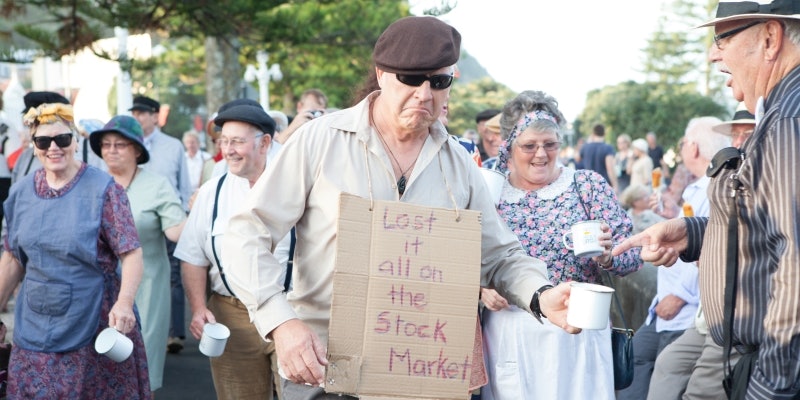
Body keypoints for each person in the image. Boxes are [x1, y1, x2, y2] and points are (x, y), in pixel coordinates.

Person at [221, 16, 579, 400]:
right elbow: (247, 233)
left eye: (439, 81)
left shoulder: (459, 165)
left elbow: (500, 255)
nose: (425, 94)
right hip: (326, 371)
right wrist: (282, 323)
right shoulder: (321, 141)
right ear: (381, 75)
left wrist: (542, 295)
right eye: (411, 79)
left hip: (423, 376)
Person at [613, 3, 800, 397]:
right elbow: (763, 225)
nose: (713, 53)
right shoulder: (781, 111)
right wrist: (691, 233)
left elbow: (795, 264)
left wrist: (768, 389)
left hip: (770, 369)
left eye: (722, 39)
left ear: (770, 39)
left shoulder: (788, 121)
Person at [479, 91, 642, 399]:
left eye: (550, 144)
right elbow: (460, 251)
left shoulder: (586, 185)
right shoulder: (489, 188)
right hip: (509, 333)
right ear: (508, 147)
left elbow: (633, 254)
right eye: (529, 146)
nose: (541, 154)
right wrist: (481, 287)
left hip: (578, 335)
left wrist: (608, 256)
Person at [0, 102, 149, 397]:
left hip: (93, 316)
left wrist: (124, 302)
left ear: (75, 141)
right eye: (43, 141)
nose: (53, 147)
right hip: (34, 319)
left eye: (62, 139)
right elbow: (12, 258)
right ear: (34, 146)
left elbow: (131, 253)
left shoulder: (105, 189)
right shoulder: (21, 192)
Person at [175, 100, 291, 400]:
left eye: (237, 141)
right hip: (231, 316)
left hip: (294, 311)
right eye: (223, 141)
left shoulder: (298, 184)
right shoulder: (211, 192)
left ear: (265, 142)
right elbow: (192, 256)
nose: (228, 150)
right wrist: (200, 308)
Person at [617, 117, 730, 400]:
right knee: (637, 359)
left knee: (669, 377)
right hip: (662, 307)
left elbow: (711, 247)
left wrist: (679, 295)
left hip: (683, 309)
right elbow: (689, 235)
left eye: (682, 143)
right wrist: (671, 216)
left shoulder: (712, 188)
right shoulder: (698, 187)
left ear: (692, 148)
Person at [647, 109, 755, 400]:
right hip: (706, 312)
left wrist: (682, 291)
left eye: (748, 132)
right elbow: (711, 230)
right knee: (667, 362)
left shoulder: (758, 176)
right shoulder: (724, 177)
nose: (740, 140)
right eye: (735, 134)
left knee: (698, 390)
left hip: (736, 312)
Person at [90, 115, 186, 395]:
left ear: (137, 150)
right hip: (97, 290)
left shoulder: (157, 185)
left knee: (143, 365)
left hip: (148, 288)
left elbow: (176, 232)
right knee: (98, 366)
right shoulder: (90, 184)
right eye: (106, 145)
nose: (111, 150)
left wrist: (203, 211)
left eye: (120, 144)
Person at [129, 95, 192, 353]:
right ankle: (136, 331)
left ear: (156, 116)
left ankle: (174, 333)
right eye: (135, 113)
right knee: (137, 276)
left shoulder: (173, 145)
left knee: (173, 277)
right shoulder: (128, 145)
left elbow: (184, 184)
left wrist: (186, 213)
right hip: (139, 219)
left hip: (170, 219)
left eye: (143, 113)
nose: (138, 117)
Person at [579, 123, 618, 191]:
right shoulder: (607, 148)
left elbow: (578, 159)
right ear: (604, 133)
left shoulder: (585, 147)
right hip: (603, 185)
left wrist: (588, 141)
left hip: (588, 185)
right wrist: (615, 185)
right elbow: (610, 168)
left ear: (593, 133)